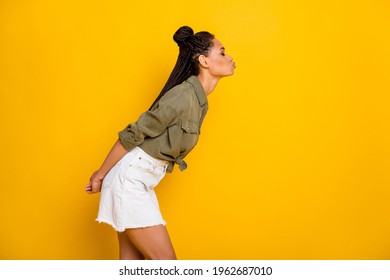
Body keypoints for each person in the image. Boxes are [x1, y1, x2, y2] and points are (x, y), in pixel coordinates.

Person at [85, 26, 235, 260]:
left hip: (141, 181)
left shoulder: (199, 101)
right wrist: (100, 175)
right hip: (130, 181)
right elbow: (133, 134)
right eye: (223, 52)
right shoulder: (183, 95)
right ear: (204, 61)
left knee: (133, 266)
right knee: (166, 265)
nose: (230, 57)